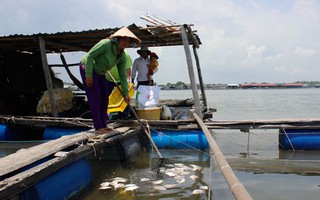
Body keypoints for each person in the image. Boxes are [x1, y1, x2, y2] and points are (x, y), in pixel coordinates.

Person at [79, 27, 141, 133]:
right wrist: (88, 75)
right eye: (124, 39)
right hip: (88, 67)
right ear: (118, 38)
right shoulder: (106, 44)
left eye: (128, 41)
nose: (126, 43)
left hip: (100, 72)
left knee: (105, 97)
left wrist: (125, 93)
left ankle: (104, 124)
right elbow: (90, 56)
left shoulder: (122, 56)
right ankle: (98, 127)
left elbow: (122, 75)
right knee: (96, 97)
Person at [105, 50, 132, 119]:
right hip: (109, 78)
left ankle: (124, 116)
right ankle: (104, 115)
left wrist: (127, 82)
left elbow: (128, 70)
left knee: (125, 96)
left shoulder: (126, 56)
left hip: (121, 79)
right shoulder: (108, 54)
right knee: (105, 96)